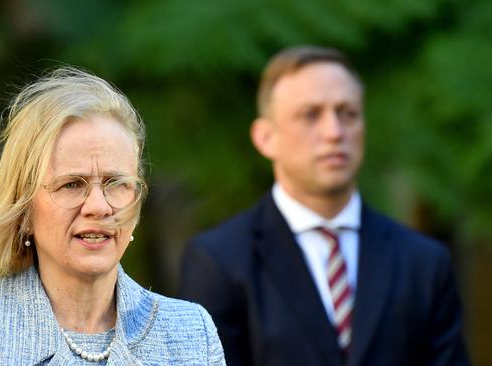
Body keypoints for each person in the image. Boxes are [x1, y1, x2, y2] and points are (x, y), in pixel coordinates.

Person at [179, 46, 469, 366]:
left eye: (347, 113)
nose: (334, 132)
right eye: (310, 115)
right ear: (265, 137)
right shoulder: (218, 261)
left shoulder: (424, 262)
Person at [0, 67, 226, 365]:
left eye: (115, 183)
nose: (99, 206)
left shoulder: (191, 332)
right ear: (23, 207)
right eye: (71, 185)